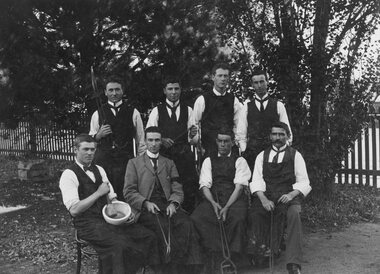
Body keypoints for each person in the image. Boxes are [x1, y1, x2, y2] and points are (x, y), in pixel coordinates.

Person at [59, 134, 159, 274]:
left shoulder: (99, 169)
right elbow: (74, 210)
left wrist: (125, 214)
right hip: (87, 225)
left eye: (92, 149)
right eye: (85, 149)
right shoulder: (69, 175)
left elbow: (112, 199)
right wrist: (98, 193)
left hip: (108, 220)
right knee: (120, 245)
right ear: (76, 150)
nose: (89, 153)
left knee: (147, 236)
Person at [124, 126, 203, 273]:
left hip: (167, 205)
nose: (154, 144)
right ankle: (168, 270)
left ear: (161, 142)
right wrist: (145, 203)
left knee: (186, 224)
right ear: (146, 142)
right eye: (150, 140)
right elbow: (128, 191)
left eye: (157, 140)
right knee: (163, 227)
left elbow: (177, 188)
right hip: (146, 208)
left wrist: (173, 203)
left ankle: (190, 269)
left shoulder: (169, 163)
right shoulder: (134, 163)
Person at [247, 122, 311, 274]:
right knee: (255, 213)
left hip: (288, 196)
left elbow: (304, 181)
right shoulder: (262, 156)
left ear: (287, 136)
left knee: (294, 214)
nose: (278, 137)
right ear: (270, 137)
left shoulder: (295, 155)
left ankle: (293, 263)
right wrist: (263, 199)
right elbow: (256, 181)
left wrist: (291, 195)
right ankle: (263, 252)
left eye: (281, 134)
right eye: (275, 134)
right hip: (267, 196)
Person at [191, 129, 251, 272]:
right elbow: (205, 185)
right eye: (220, 141)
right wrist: (213, 203)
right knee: (197, 218)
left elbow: (239, 188)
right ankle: (213, 257)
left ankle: (233, 259)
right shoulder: (208, 160)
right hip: (214, 198)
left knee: (237, 218)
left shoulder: (239, 160)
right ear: (216, 142)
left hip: (234, 199)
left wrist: (227, 207)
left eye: (226, 141)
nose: (223, 144)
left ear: (232, 143)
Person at [146, 76, 198, 213]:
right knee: (165, 187)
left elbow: (193, 140)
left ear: (181, 90)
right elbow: (149, 134)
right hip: (165, 156)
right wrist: (161, 140)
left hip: (184, 156)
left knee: (188, 186)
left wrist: (193, 135)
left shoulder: (189, 110)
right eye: (170, 89)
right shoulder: (157, 111)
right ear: (164, 91)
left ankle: (188, 215)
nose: (173, 92)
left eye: (176, 89)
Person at [89, 75, 146, 201]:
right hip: (104, 161)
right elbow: (89, 142)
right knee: (106, 193)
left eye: (117, 89)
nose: (114, 93)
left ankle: (127, 217)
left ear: (122, 91)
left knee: (125, 192)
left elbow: (141, 140)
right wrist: (98, 136)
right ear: (105, 92)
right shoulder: (98, 113)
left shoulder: (133, 112)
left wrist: (140, 162)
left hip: (125, 161)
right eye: (110, 90)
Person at [236, 68, 292, 171]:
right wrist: (245, 151)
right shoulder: (246, 107)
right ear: (252, 85)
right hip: (252, 154)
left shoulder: (278, 105)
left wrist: (281, 152)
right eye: (256, 83)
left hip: (274, 152)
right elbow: (241, 135)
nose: (259, 85)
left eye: (262, 81)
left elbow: (287, 133)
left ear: (267, 82)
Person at [192, 62, 242, 157]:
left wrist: (237, 145)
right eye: (220, 76)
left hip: (229, 150)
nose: (223, 79)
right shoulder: (202, 100)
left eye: (225, 76)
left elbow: (238, 125)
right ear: (213, 77)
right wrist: (199, 145)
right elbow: (195, 124)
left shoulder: (234, 100)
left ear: (228, 78)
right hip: (208, 148)